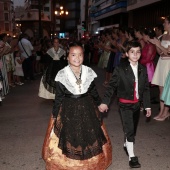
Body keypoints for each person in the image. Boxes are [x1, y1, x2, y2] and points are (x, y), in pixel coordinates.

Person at [42, 42, 112, 170]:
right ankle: (70, 163)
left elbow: (93, 91)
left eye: (80, 55)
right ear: (67, 57)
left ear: (83, 56)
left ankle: (90, 163)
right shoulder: (62, 74)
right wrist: (54, 114)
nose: (77, 58)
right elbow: (58, 98)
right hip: (69, 108)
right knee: (71, 135)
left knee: (89, 134)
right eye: (73, 55)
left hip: (87, 107)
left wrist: (100, 103)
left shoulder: (88, 71)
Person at [99, 41, 151, 168]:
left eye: (138, 52)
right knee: (130, 130)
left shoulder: (142, 69)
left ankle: (127, 142)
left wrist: (148, 105)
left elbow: (145, 89)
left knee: (132, 128)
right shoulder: (120, 68)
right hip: (125, 104)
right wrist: (105, 102)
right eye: (132, 52)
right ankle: (132, 156)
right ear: (127, 54)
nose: (135, 54)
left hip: (137, 105)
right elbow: (111, 86)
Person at [149, 16, 170, 121]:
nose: (163, 24)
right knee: (161, 89)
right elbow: (160, 52)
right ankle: (161, 112)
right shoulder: (164, 36)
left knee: (167, 89)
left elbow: (168, 52)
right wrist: (156, 44)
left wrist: (159, 45)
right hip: (162, 62)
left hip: (168, 63)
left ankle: (165, 112)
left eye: (165, 22)